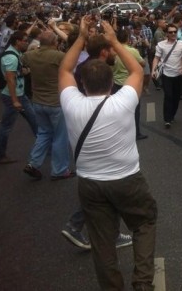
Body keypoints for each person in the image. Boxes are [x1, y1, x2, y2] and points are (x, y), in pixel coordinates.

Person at [59, 17, 157, 291]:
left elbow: (65, 70)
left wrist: (80, 37)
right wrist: (114, 40)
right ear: (111, 81)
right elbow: (137, 70)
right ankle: (142, 283)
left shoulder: (71, 104)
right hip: (127, 179)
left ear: (82, 84)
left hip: (90, 184)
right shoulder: (122, 101)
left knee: (102, 243)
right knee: (145, 223)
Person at [21, 30, 74, 180]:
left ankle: (33, 163)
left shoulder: (30, 55)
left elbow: (23, 61)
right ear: (54, 42)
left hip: (38, 100)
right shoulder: (58, 56)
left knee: (43, 133)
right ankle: (60, 170)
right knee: (59, 137)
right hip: (55, 101)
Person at [0, 31, 38, 164]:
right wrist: (14, 100)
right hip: (13, 97)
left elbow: (16, 73)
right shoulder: (11, 57)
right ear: (17, 41)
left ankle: (45, 146)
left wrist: (25, 71)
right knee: (6, 126)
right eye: (25, 40)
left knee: (35, 120)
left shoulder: (15, 53)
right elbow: (10, 79)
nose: (27, 42)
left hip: (19, 95)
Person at [113, 28, 147, 140]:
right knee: (135, 109)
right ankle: (136, 132)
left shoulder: (113, 51)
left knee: (119, 110)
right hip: (131, 84)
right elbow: (142, 63)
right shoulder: (132, 51)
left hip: (117, 83)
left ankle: (120, 132)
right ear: (127, 39)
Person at [151, 24, 182, 128]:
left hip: (178, 75)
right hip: (166, 74)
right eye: (170, 32)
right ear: (166, 33)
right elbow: (156, 58)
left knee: (176, 97)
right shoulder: (161, 45)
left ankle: (172, 115)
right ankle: (167, 119)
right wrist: (153, 70)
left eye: (174, 32)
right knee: (168, 96)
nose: (173, 34)